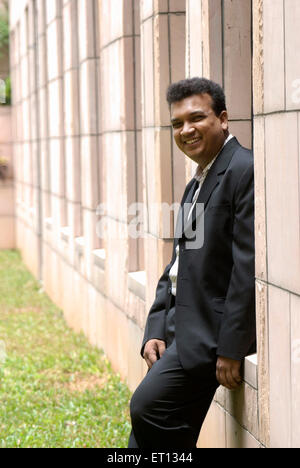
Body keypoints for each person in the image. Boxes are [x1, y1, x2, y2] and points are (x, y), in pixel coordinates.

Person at [128, 77, 256, 449]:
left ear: (224, 118)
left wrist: (231, 348)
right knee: (148, 431)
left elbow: (246, 268)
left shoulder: (242, 170)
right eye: (177, 123)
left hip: (207, 335)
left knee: (148, 407)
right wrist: (155, 325)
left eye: (196, 118)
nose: (185, 130)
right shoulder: (197, 180)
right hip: (177, 325)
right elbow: (177, 263)